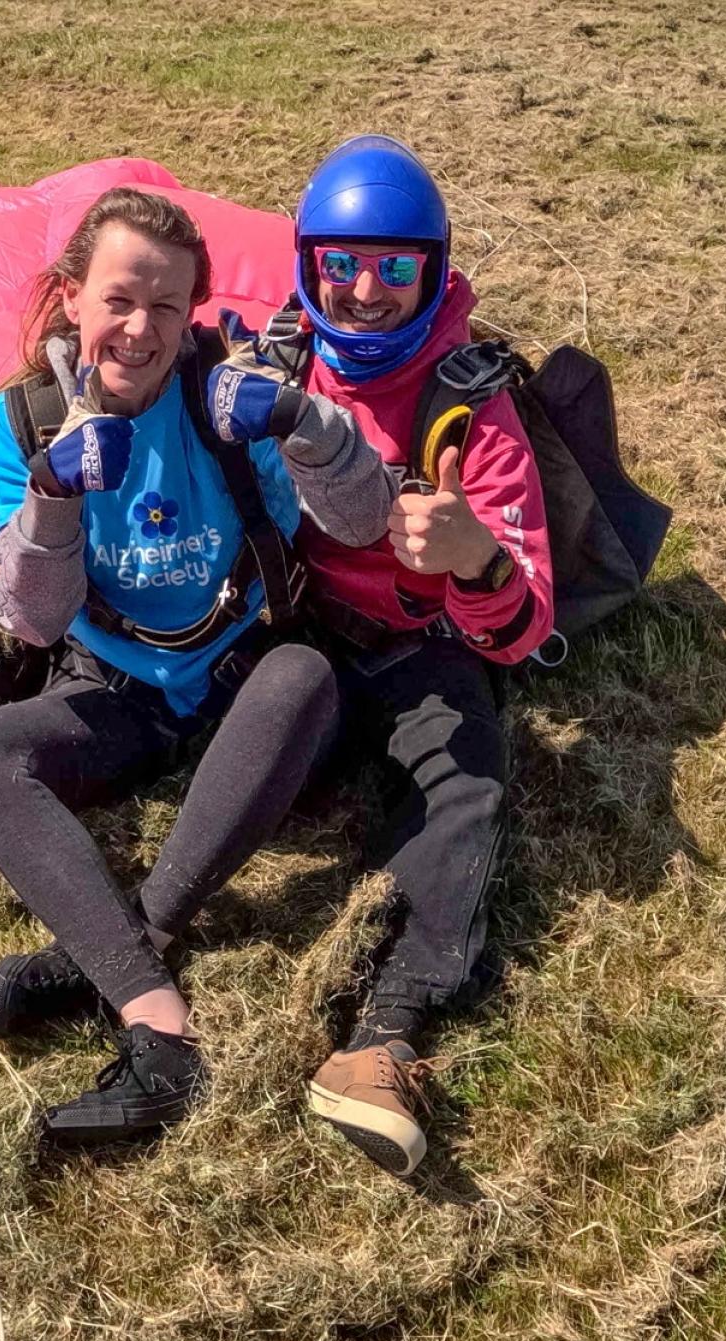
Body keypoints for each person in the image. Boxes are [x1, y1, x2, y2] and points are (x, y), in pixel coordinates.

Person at [0, 187, 394, 1146]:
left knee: (307, 674)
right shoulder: (19, 421)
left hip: (239, 678)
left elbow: (359, 521)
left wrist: (304, 424)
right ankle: (160, 1031)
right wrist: (55, 494)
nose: (140, 330)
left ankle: (125, 944)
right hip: (112, 689)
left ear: (195, 310)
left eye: (166, 307)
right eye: (118, 300)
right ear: (71, 297)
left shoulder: (224, 393)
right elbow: (31, 621)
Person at [285, 136, 555, 1178]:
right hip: (291, 640)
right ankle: (139, 959)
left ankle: (385, 1036)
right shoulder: (270, 362)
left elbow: (526, 623)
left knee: (470, 792)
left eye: (395, 268)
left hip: (419, 650)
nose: (362, 291)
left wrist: (476, 558)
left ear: (432, 272)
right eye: (340, 264)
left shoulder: (469, 408)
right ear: (306, 263)